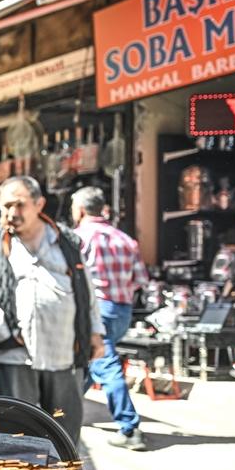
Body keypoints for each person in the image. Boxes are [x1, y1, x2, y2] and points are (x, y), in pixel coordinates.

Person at [0, 176, 104, 444]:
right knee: (18, 427)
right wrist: (3, 332)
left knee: (64, 426)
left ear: (39, 204)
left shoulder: (66, 240)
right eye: (6, 206)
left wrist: (95, 333)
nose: (12, 213)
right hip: (15, 353)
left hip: (63, 351)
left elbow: (86, 291)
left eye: (19, 205)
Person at [72, 186, 149, 450]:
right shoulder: (125, 239)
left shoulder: (79, 237)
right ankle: (59, 413)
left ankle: (129, 428)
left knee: (105, 363)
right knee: (90, 361)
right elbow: (140, 280)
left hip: (97, 310)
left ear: (81, 210)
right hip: (122, 310)